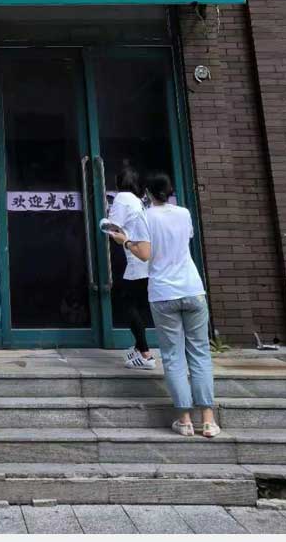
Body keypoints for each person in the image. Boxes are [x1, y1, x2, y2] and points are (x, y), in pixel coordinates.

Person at [111, 172, 221, 438]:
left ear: (147, 194)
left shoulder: (146, 216)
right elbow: (185, 241)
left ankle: (185, 421)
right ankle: (208, 420)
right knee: (200, 354)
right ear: (170, 192)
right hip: (193, 289)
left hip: (163, 293)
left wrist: (125, 241)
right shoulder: (184, 213)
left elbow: (145, 254)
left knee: (173, 357)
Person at [107, 166, 154, 370]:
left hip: (134, 259)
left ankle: (145, 354)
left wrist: (104, 221)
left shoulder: (122, 197)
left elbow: (113, 226)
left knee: (128, 305)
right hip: (146, 259)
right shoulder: (138, 200)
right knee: (137, 305)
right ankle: (138, 348)